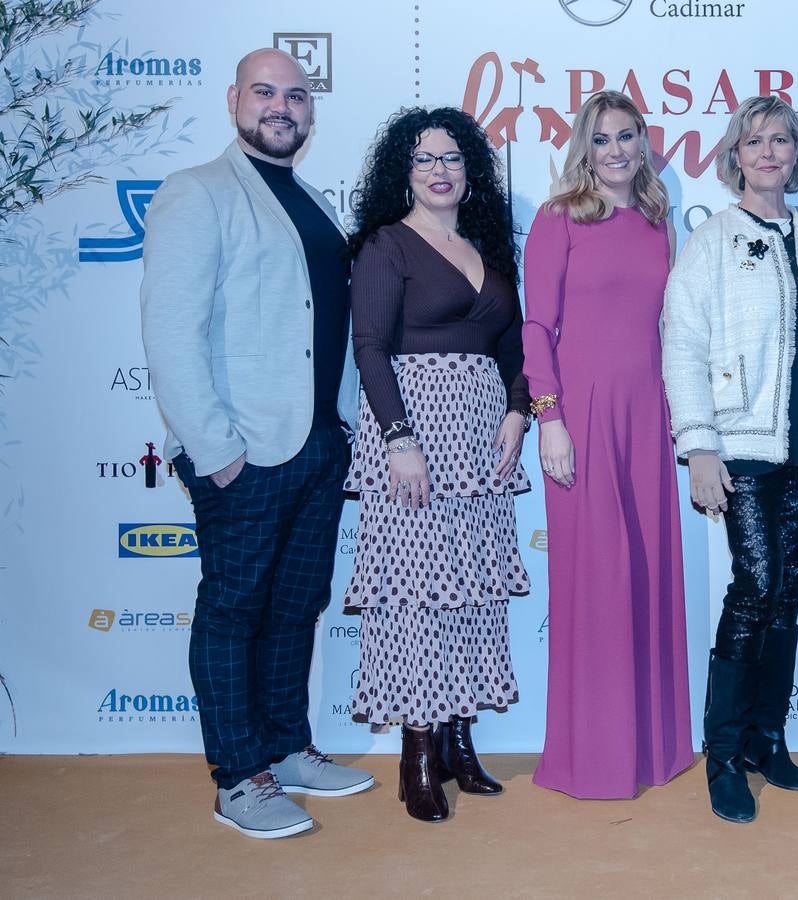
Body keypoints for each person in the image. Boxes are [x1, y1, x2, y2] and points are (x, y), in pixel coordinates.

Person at [140, 48, 373, 840]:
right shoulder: (197, 193)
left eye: (297, 95)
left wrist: (336, 430)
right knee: (234, 611)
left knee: (296, 606)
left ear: (312, 111)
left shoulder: (308, 201)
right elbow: (172, 335)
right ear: (235, 99)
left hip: (314, 445)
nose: (282, 106)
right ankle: (239, 778)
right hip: (242, 451)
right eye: (266, 92)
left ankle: (287, 745)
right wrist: (215, 449)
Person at [662, 95, 798, 824]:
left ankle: (766, 738)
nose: (770, 152)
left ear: (797, 154)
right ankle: (722, 753)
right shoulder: (711, 242)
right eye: (755, 142)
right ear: (734, 156)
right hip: (742, 449)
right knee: (755, 587)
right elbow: (681, 344)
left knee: (788, 593)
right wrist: (698, 446)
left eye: (782, 140)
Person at [343, 107, 531, 822]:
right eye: (424, 159)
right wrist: (398, 438)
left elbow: (515, 351)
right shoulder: (388, 245)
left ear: (470, 170)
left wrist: (520, 409)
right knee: (420, 597)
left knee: (470, 591)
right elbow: (369, 348)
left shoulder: (490, 248)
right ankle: (416, 752)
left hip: (483, 439)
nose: (440, 170)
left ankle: (458, 740)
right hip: (416, 434)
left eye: (452, 157)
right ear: (404, 172)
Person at [523, 91, 693, 800]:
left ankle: (651, 750)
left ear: (643, 144)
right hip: (582, 417)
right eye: (602, 139)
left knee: (646, 577)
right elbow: (537, 329)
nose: (617, 150)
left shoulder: (658, 222)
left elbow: (667, 329)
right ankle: (592, 756)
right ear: (583, 150)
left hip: (647, 418)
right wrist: (549, 418)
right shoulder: (557, 217)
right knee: (595, 582)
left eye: (628, 136)